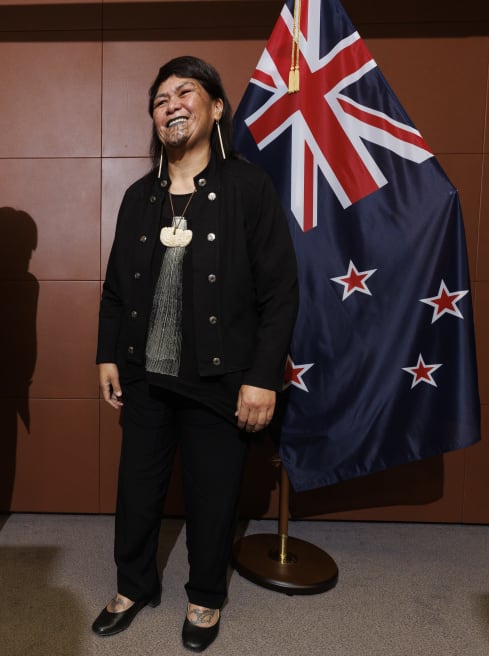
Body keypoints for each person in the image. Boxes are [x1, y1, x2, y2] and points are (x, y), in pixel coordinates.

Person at [93, 56, 299, 652]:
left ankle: (206, 597)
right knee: (136, 490)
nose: (170, 105)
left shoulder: (249, 188)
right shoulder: (138, 196)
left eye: (185, 92)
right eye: (159, 99)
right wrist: (108, 354)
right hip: (145, 377)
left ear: (215, 108)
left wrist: (262, 378)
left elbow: (281, 293)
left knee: (213, 497)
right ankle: (132, 587)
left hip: (220, 379)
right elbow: (114, 289)